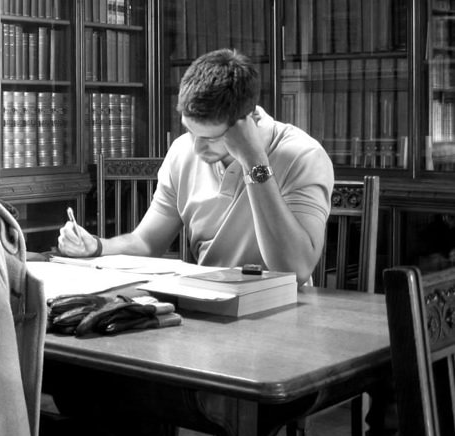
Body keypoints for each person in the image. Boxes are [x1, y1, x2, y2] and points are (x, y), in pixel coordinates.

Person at [59, 48, 334, 286]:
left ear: (246, 122)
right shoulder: (182, 151)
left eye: (210, 138)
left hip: (283, 312)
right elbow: (146, 243)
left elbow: (295, 270)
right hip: (208, 304)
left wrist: (254, 162)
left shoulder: (303, 156)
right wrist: (96, 246)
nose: (197, 148)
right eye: (191, 132)